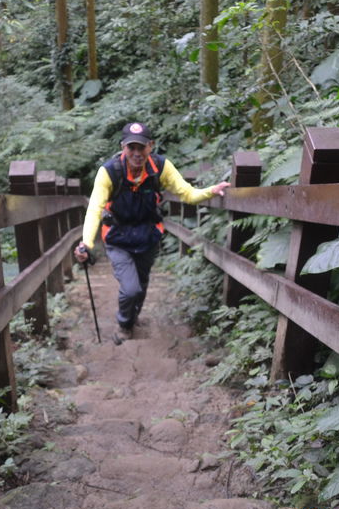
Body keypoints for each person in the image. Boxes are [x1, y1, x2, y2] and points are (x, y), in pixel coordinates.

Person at [73, 122, 231, 344]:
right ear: (123, 147)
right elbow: (94, 209)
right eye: (131, 148)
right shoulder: (109, 171)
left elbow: (186, 193)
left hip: (148, 237)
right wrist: (87, 243)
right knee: (130, 289)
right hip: (118, 238)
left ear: (150, 146)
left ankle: (133, 317)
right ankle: (124, 324)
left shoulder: (161, 167)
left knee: (142, 284)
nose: (137, 153)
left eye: (142, 147)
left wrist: (210, 192)